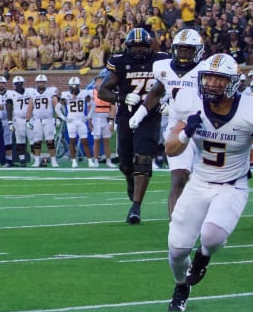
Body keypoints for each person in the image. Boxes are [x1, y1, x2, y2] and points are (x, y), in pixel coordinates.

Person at [164, 53, 253, 312]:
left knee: (211, 238)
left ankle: (203, 257)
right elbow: (170, 150)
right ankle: (181, 285)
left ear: (234, 82)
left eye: (219, 78)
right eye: (209, 77)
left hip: (232, 184)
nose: (212, 83)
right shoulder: (191, 103)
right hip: (199, 182)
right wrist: (185, 132)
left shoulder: (252, 110)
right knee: (177, 249)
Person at [127, 28, 205, 217]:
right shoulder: (165, 68)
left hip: (207, 130)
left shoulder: (206, 70)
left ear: (198, 51)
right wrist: (141, 112)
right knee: (178, 178)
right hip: (177, 129)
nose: (184, 54)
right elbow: (155, 93)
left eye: (188, 50)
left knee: (206, 183)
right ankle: (175, 229)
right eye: (180, 49)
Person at [97, 28, 171, 224]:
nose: (138, 50)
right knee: (125, 163)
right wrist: (121, 97)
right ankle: (130, 180)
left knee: (144, 159)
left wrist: (170, 99)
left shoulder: (162, 60)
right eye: (134, 46)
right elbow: (103, 91)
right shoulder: (120, 61)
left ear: (149, 46)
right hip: (126, 116)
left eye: (142, 46)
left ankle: (136, 207)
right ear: (128, 47)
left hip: (150, 115)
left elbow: (174, 83)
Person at [57, 76, 97, 168]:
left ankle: (90, 160)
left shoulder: (84, 94)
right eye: (72, 86)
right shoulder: (66, 95)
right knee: (72, 142)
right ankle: (74, 161)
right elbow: (57, 107)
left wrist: (88, 116)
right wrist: (64, 117)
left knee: (84, 141)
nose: (74, 88)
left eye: (75, 86)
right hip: (71, 121)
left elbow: (93, 104)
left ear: (79, 86)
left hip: (81, 120)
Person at [28, 74, 60, 167]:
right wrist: (27, 120)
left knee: (50, 141)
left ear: (45, 83)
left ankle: (54, 160)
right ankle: (37, 160)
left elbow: (56, 106)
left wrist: (57, 118)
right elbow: (30, 108)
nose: (41, 84)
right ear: (36, 83)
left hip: (48, 119)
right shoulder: (33, 93)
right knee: (37, 141)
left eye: (42, 82)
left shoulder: (50, 92)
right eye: (39, 82)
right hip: (37, 120)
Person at [87, 70, 116, 168]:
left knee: (107, 140)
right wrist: (90, 120)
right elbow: (89, 107)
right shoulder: (91, 92)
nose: (99, 82)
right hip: (96, 116)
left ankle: (108, 160)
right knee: (96, 140)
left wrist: (111, 120)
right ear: (95, 82)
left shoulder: (109, 92)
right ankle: (96, 160)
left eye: (101, 80)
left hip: (106, 116)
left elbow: (113, 106)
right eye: (98, 80)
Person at [6, 75, 34, 167]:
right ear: (14, 85)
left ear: (23, 84)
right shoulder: (11, 94)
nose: (18, 85)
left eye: (20, 83)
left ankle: (37, 158)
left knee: (33, 139)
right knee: (20, 140)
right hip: (17, 119)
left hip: (29, 119)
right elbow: (9, 108)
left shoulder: (30, 92)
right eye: (17, 84)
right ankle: (22, 159)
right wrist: (10, 122)